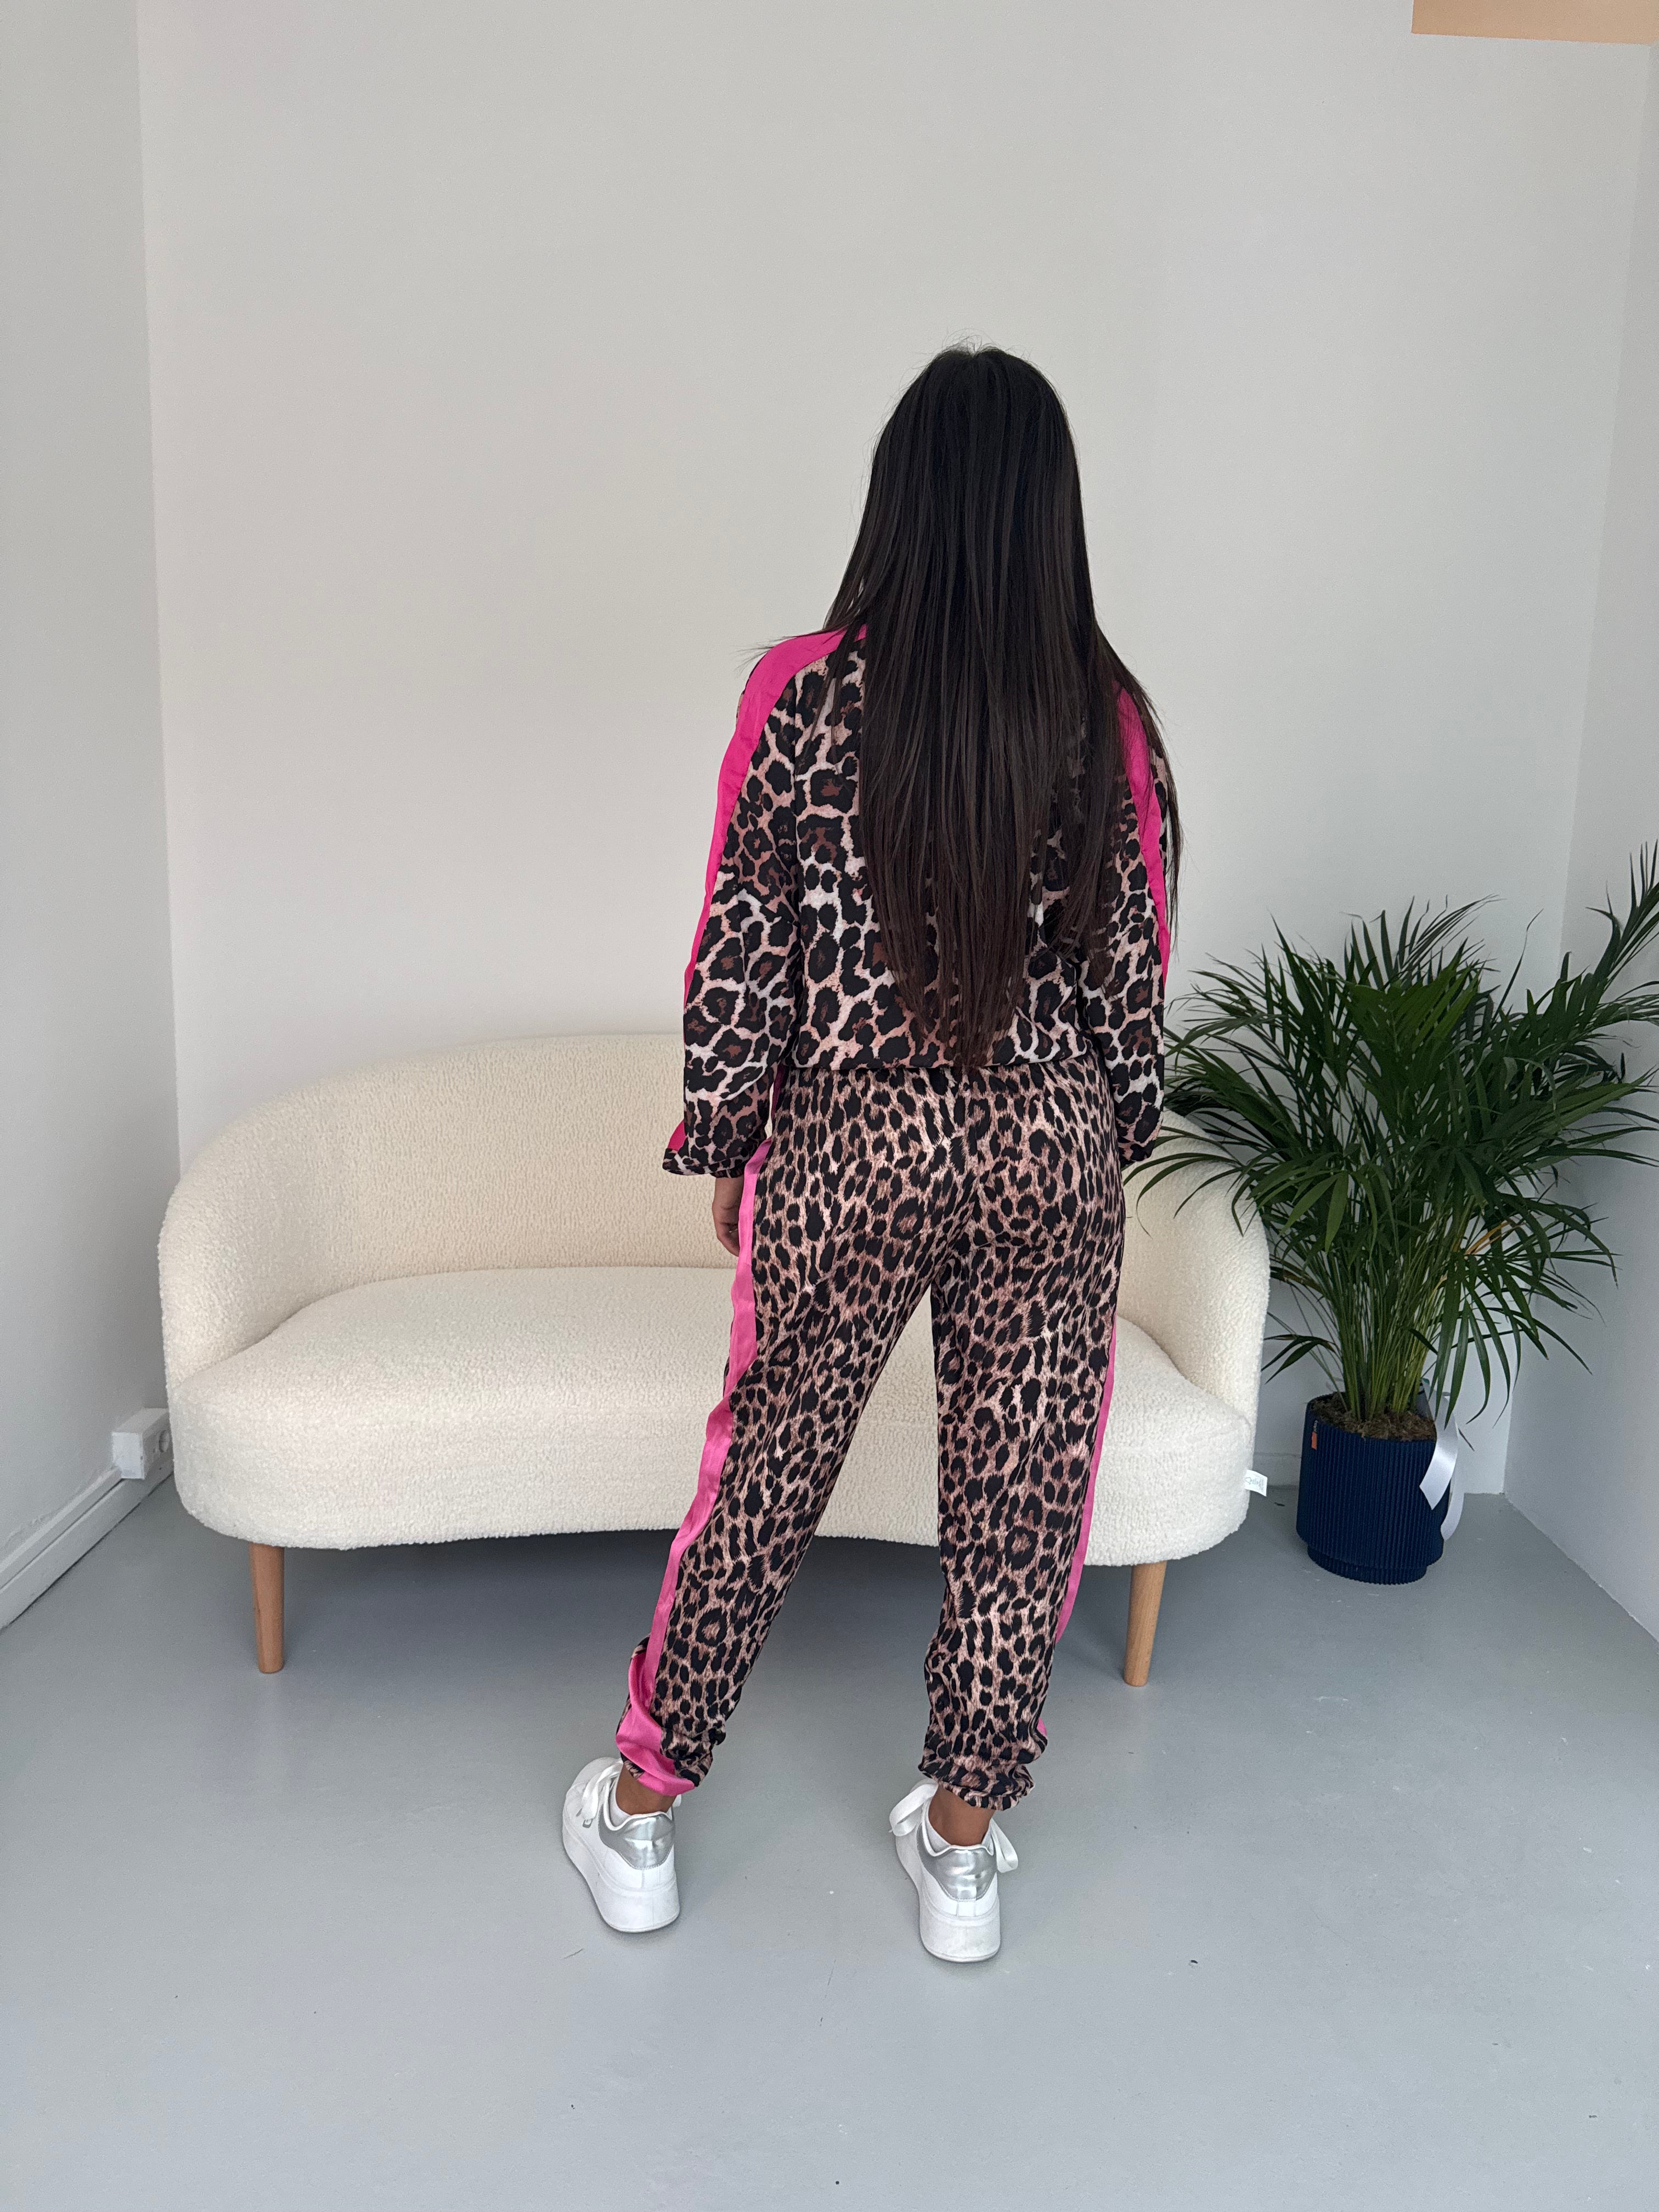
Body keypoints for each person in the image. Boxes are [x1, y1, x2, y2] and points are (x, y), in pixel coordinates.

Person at [563, 345, 1178, 1962]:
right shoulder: (1107, 716)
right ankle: (963, 1854)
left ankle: (642, 1811)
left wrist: (726, 1135)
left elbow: (743, 942)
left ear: (899, 496)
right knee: (1024, 1497)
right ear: (1051, 515)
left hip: (850, 1137)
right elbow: (1134, 969)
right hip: (1047, 1145)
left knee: (764, 1474)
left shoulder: (801, 691)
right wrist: (1108, 1140)